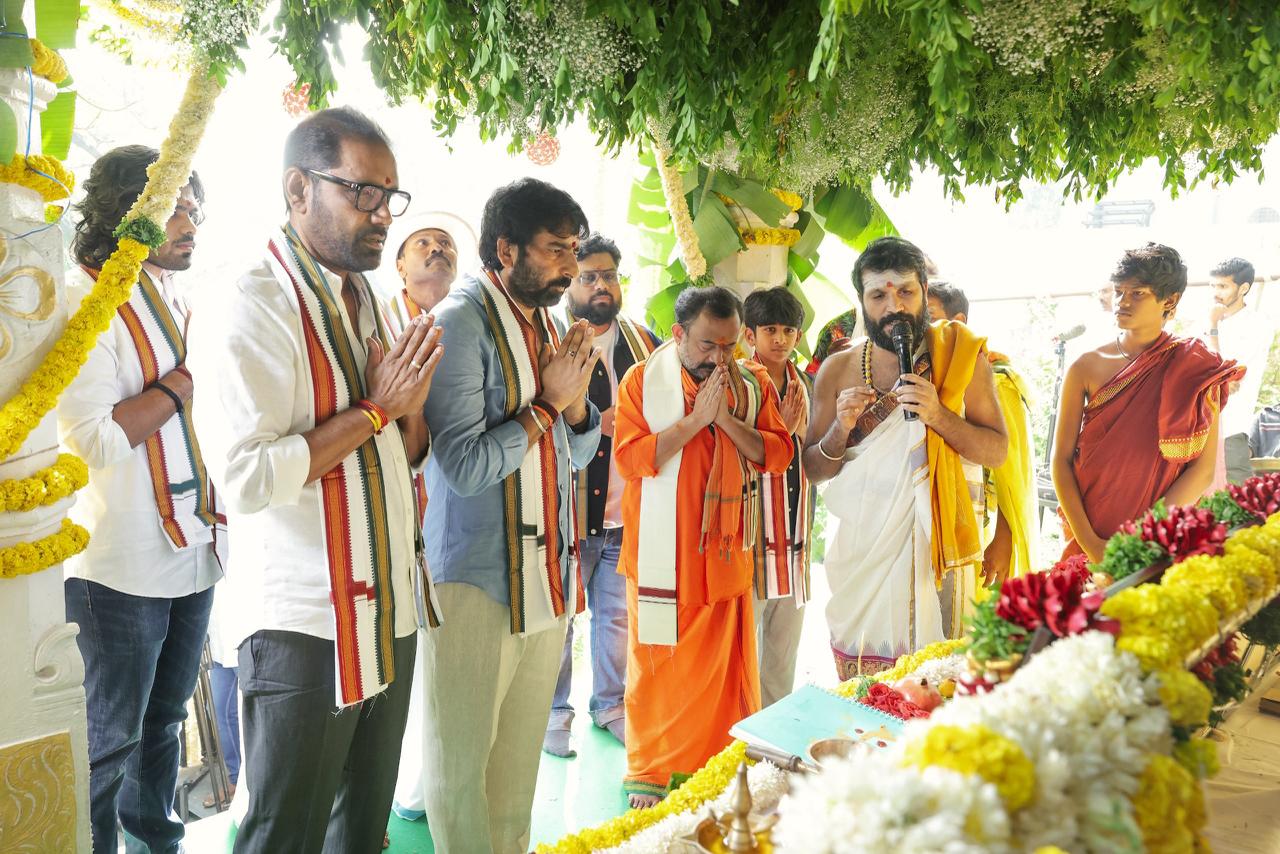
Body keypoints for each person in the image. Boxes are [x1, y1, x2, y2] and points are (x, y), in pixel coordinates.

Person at [188, 107, 443, 854]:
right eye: (362, 193)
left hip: (387, 607)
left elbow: (394, 444)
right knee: (284, 835)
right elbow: (246, 479)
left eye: (390, 197)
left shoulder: (361, 295)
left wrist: (404, 415)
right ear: (298, 189)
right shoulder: (252, 300)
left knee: (361, 829)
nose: (382, 217)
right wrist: (375, 410)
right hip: (305, 625)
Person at [419, 177, 602, 853]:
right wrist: (550, 406)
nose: (569, 266)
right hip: (475, 581)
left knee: (517, 767)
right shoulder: (460, 322)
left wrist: (575, 406)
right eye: (556, 249)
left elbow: (577, 452)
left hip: (545, 574)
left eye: (573, 250)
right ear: (505, 248)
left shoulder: (546, 324)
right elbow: (463, 467)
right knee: (460, 768)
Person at [59, 145, 219, 854]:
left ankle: (157, 840)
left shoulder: (170, 292)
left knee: (165, 721)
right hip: (120, 564)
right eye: (177, 206)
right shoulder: (84, 298)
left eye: (196, 206)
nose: (192, 221)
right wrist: (181, 386)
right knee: (109, 739)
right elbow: (90, 440)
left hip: (193, 547)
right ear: (130, 209)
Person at [615, 285, 792, 808]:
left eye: (730, 346)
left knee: (721, 673)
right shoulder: (643, 381)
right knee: (657, 667)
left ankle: (716, 760)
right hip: (659, 555)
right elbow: (630, 460)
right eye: (709, 345)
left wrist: (725, 421)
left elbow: (777, 454)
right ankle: (653, 768)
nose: (721, 358)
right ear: (678, 334)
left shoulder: (753, 383)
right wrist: (694, 422)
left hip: (723, 552)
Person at [803, 237, 1008, 679]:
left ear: (924, 290)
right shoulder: (837, 370)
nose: (893, 306)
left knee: (938, 689)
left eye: (906, 293)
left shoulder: (962, 358)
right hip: (864, 556)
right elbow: (813, 469)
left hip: (939, 552)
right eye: (879, 295)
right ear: (861, 300)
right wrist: (841, 428)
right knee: (865, 700)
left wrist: (938, 416)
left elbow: (997, 450)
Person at [542, 233, 661, 758]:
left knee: (616, 616)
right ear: (570, 283)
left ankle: (611, 705)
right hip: (568, 506)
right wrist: (599, 424)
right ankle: (553, 711)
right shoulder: (551, 339)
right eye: (588, 276)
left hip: (626, 508)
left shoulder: (646, 342)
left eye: (608, 275)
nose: (599, 285)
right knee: (562, 613)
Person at [376, 211, 476, 823]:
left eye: (445, 247)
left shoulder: (464, 328)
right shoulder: (379, 322)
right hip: (384, 511)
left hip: (450, 514)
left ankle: (414, 787)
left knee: (430, 656)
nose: (436, 253)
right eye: (423, 245)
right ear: (400, 266)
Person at [1052, 243, 1243, 561]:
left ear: (1170, 300)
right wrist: (1092, 543)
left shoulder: (1198, 369)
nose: (1122, 302)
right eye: (1119, 291)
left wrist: (1143, 540)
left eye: (1137, 293)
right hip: (1089, 535)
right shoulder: (1085, 366)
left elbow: (1202, 471)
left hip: (1156, 542)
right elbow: (1060, 461)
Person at [927, 283, 1037, 583]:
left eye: (930, 315)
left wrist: (1003, 537)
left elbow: (1012, 474)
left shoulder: (995, 378)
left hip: (980, 524)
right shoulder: (924, 373)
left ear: (958, 322)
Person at [741, 286, 815, 707]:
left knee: (783, 654)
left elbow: (811, 450)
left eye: (789, 330)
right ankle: (740, 743)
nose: (780, 339)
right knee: (746, 652)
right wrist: (782, 434)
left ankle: (773, 743)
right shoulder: (740, 381)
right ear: (749, 335)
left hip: (795, 535)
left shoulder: (804, 383)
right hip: (752, 535)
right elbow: (735, 456)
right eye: (770, 329)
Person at [1204, 257, 1275, 484]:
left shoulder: (1257, 324)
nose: (1216, 293)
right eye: (1213, 286)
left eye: (1223, 286)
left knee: (1236, 499)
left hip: (1231, 427)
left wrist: (1212, 327)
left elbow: (1228, 377)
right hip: (1197, 427)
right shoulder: (1204, 323)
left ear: (1243, 288)